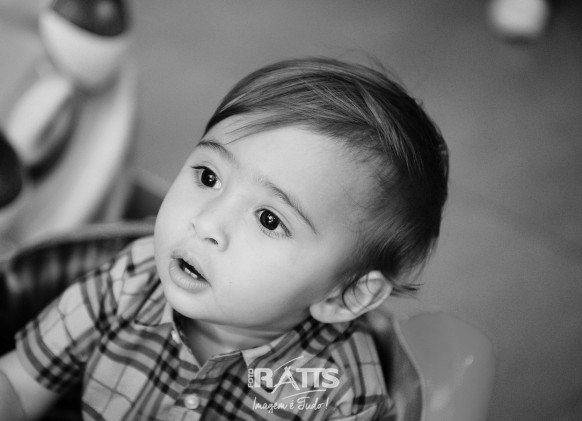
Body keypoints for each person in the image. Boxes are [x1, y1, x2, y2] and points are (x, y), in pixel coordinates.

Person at [0, 57, 449, 420]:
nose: (207, 223)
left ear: (345, 295)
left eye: (269, 220)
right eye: (209, 177)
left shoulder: (327, 390)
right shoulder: (127, 283)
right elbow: (19, 385)